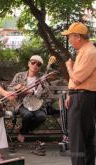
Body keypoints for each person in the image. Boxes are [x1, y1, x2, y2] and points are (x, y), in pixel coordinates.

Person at [61, 22, 96, 165]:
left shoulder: (89, 52)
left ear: (78, 37)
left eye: (70, 37)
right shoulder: (86, 51)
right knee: (86, 138)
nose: (69, 40)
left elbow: (76, 78)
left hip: (82, 97)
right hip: (82, 96)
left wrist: (69, 67)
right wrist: (70, 94)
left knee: (77, 139)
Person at [7, 55, 48, 145]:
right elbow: (9, 88)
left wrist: (34, 91)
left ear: (40, 67)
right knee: (27, 115)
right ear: (29, 63)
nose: (35, 65)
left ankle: (23, 131)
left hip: (36, 104)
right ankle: (24, 132)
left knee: (41, 116)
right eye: (33, 62)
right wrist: (16, 88)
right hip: (21, 103)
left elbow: (46, 93)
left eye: (38, 64)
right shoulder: (20, 75)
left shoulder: (42, 78)